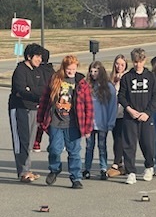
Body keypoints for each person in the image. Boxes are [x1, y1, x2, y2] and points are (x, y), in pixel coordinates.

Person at [37, 55, 93, 189]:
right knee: (55, 149)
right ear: (64, 68)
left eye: (74, 69)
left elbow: (88, 105)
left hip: (73, 123)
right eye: (69, 69)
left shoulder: (81, 83)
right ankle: (55, 169)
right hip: (56, 122)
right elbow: (44, 100)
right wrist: (40, 119)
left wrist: (87, 127)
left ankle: (76, 178)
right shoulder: (55, 79)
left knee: (74, 152)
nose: (71, 71)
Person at [118, 48, 156, 185]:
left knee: (148, 143)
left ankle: (149, 167)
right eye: (135, 62)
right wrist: (130, 110)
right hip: (131, 117)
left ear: (144, 61)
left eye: (140, 61)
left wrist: (147, 113)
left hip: (146, 117)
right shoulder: (126, 77)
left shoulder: (151, 76)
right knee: (129, 145)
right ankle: (131, 172)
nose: (137, 65)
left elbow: (155, 97)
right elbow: (121, 97)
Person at [9, 43, 44, 183]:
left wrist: (32, 92)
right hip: (19, 109)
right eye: (37, 56)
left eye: (41, 57)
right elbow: (21, 91)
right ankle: (23, 172)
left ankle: (27, 170)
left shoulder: (37, 71)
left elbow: (41, 89)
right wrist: (33, 93)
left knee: (29, 142)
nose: (40, 59)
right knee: (21, 141)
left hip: (34, 108)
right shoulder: (20, 70)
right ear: (29, 56)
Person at [82, 61, 117, 180]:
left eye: (95, 71)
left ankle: (103, 168)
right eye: (91, 71)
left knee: (102, 146)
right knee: (89, 146)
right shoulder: (87, 86)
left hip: (103, 122)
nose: (93, 74)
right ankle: (87, 169)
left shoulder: (108, 87)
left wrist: (110, 122)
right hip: (90, 123)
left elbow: (113, 106)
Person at [107, 54, 128, 177]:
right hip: (113, 113)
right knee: (116, 138)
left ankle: (116, 163)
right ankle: (120, 164)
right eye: (117, 64)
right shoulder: (111, 78)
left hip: (124, 112)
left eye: (122, 64)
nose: (119, 66)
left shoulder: (126, 77)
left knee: (121, 138)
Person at [33, 47, 55, 152]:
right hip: (51, 99)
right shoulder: (52, 70)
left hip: (40, 98)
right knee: (49, 121)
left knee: (40, 122)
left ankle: (37, 143)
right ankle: (55, 140)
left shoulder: (37, 70)